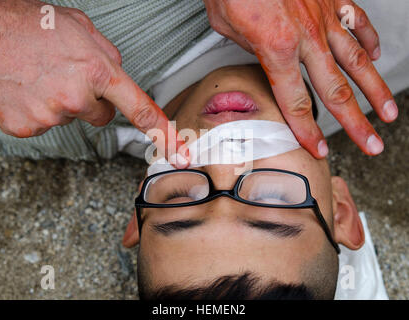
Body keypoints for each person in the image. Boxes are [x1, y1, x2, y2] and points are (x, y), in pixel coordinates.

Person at [0, 0, 404, 164]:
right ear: (341, 209)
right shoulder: (369, 60)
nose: (228, 166)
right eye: (276, 201)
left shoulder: (33, 116)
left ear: (140, 214)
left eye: (183, 202)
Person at [120, 63, 386, 300]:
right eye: (271, 197)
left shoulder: (92, 91)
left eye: (181, 197)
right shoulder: (372, 54)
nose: (223, 162)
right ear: (339, 211)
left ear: (140, 210)